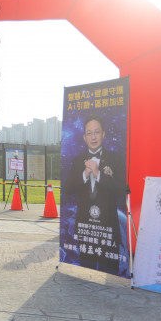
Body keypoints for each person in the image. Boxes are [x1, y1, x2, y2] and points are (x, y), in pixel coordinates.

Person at [64, 114, 127, 275]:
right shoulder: (78, 160)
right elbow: (68, 189)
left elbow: (121, 189)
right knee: (87, 273)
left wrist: (99, 174)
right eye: (89, 133)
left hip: (108, 229)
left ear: (103, 134)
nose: (93, 137)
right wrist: (85, 174)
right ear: (84, 137)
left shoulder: (115, 159)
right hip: (86, 229)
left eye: (97, 132)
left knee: (110, 276)